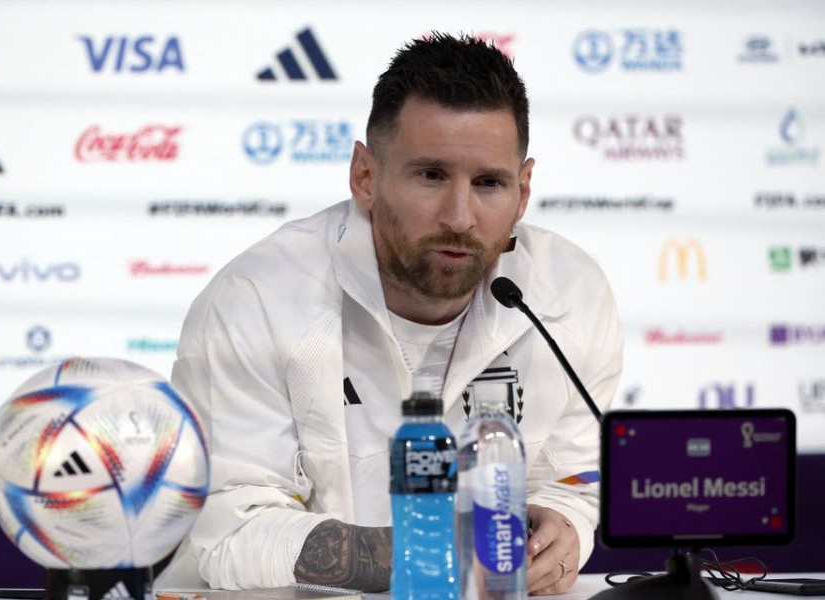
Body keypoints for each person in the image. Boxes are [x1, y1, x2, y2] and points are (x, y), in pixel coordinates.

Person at [156, 33, 623, 596]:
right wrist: (438, 560)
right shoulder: (256, 300)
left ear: (523, 190)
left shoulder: (570, 294)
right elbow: (229, 528)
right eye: (430, 175)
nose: (460, 216)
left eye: (489, 183)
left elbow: (570, 481)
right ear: (365, 176)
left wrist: (563, 528)